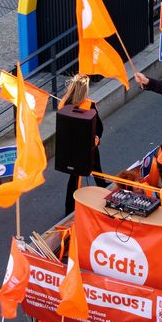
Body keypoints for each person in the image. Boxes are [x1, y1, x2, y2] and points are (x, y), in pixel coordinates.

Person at [59, 73, 107, 216]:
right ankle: (106, 201)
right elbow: (99, 127)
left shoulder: (64, 104)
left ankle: (69, 210)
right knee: (98, 173)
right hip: (89, 148)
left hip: (72, 150)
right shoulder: (90, 105)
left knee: (73, 178)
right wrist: (97, 138)